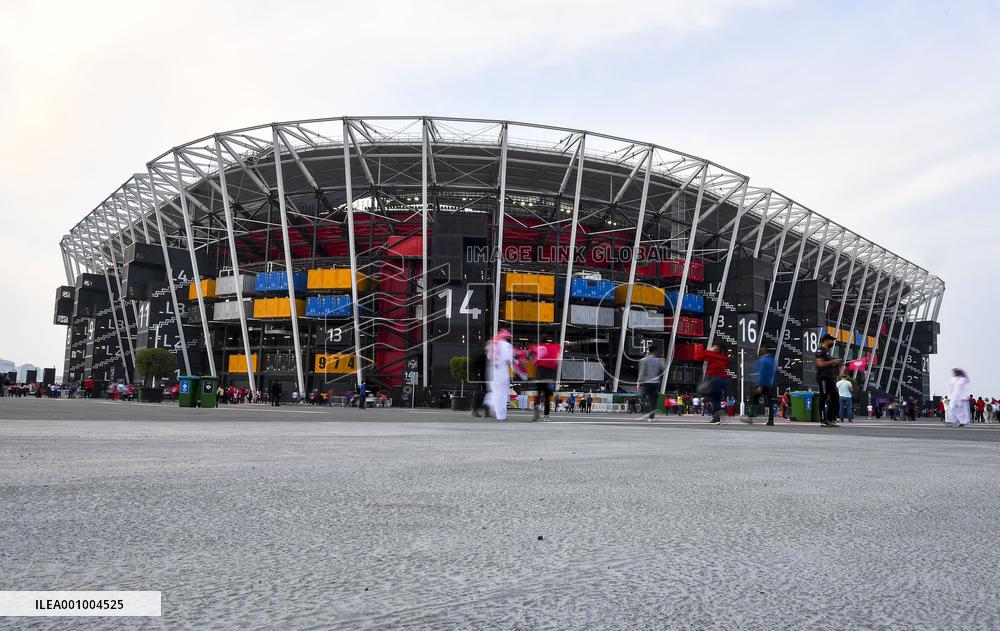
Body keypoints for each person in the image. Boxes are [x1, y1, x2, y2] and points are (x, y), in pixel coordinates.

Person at [814, 333, 843, 427]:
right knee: (823, 397)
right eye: (831, 340)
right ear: (826, 340)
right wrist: (833, 361)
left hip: (830, 378)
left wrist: (835, 364)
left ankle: (830, 418)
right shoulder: (820, 350)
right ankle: (823, 420)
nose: (832, 342)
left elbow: (827, 364)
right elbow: (820, 364)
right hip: (823, 378)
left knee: (835, 397)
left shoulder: (827, 351)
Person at [486, 329, 514, 421]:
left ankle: (489, 403)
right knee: (502, 395)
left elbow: (489, 357)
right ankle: (501, 415)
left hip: (492, 372)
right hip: (502, 373)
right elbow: (509, 360)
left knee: (495, 393)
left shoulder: (493, 343)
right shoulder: (507, 346)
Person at [703, 344, 731, 424]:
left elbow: (701, 355)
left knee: (713, 398)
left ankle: (717, 415)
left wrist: (710, 351)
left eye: (714, 347)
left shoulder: (712, 355)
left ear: (717, 349)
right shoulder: (724, 358)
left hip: (714, 379)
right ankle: (717, 415)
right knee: (717, 399)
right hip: (724, 380)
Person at [637, 347, 665, 421]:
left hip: (646, 382)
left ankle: (644, 404)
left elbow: (642, 372)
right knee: (653, 399)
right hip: (655, 383)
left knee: (644, 395)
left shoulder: (644, 360)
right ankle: (651, 415)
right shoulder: (659, 360)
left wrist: (639, 382)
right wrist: (663, 362)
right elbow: (663, 369)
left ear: (649, 351)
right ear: (655, 351)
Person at [753, 347, 777, 425]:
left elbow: (762, 373)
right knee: (770, 403)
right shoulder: (772, 360)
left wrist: (760, 385)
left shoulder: (762, 360)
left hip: (764, 383)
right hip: (772, 384)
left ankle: (750, 417)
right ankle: (771, 421)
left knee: (754, 398)